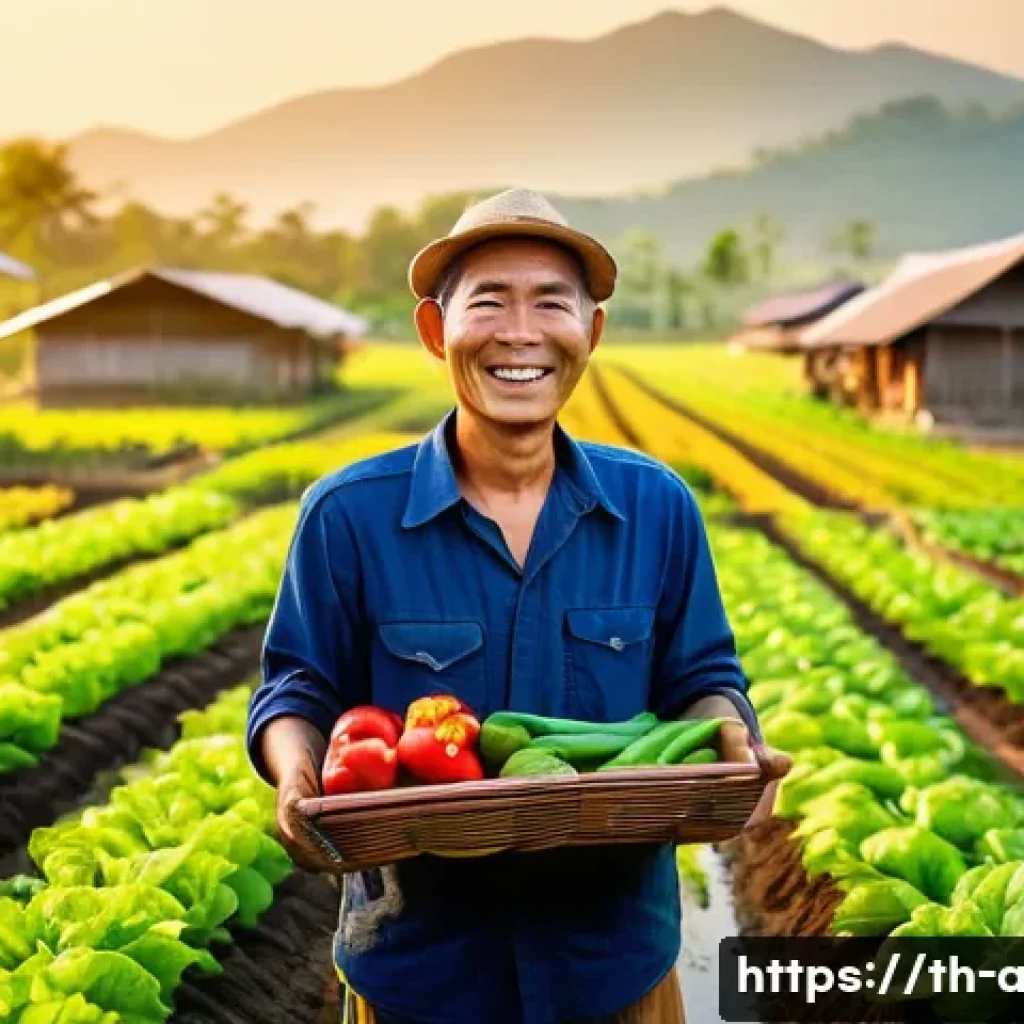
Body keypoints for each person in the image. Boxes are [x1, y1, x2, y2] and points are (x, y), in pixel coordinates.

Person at [246, 188, 791, 1024]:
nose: (521, 333)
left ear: (591, 334)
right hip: (418, 971)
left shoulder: (657, 508)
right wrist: (295, 775)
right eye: (489, 301)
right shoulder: (347, 516)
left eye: (551, 304)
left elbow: (704, 677)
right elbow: (297, 690)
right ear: (436, 331)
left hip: (614, 969)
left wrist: (731, 744)